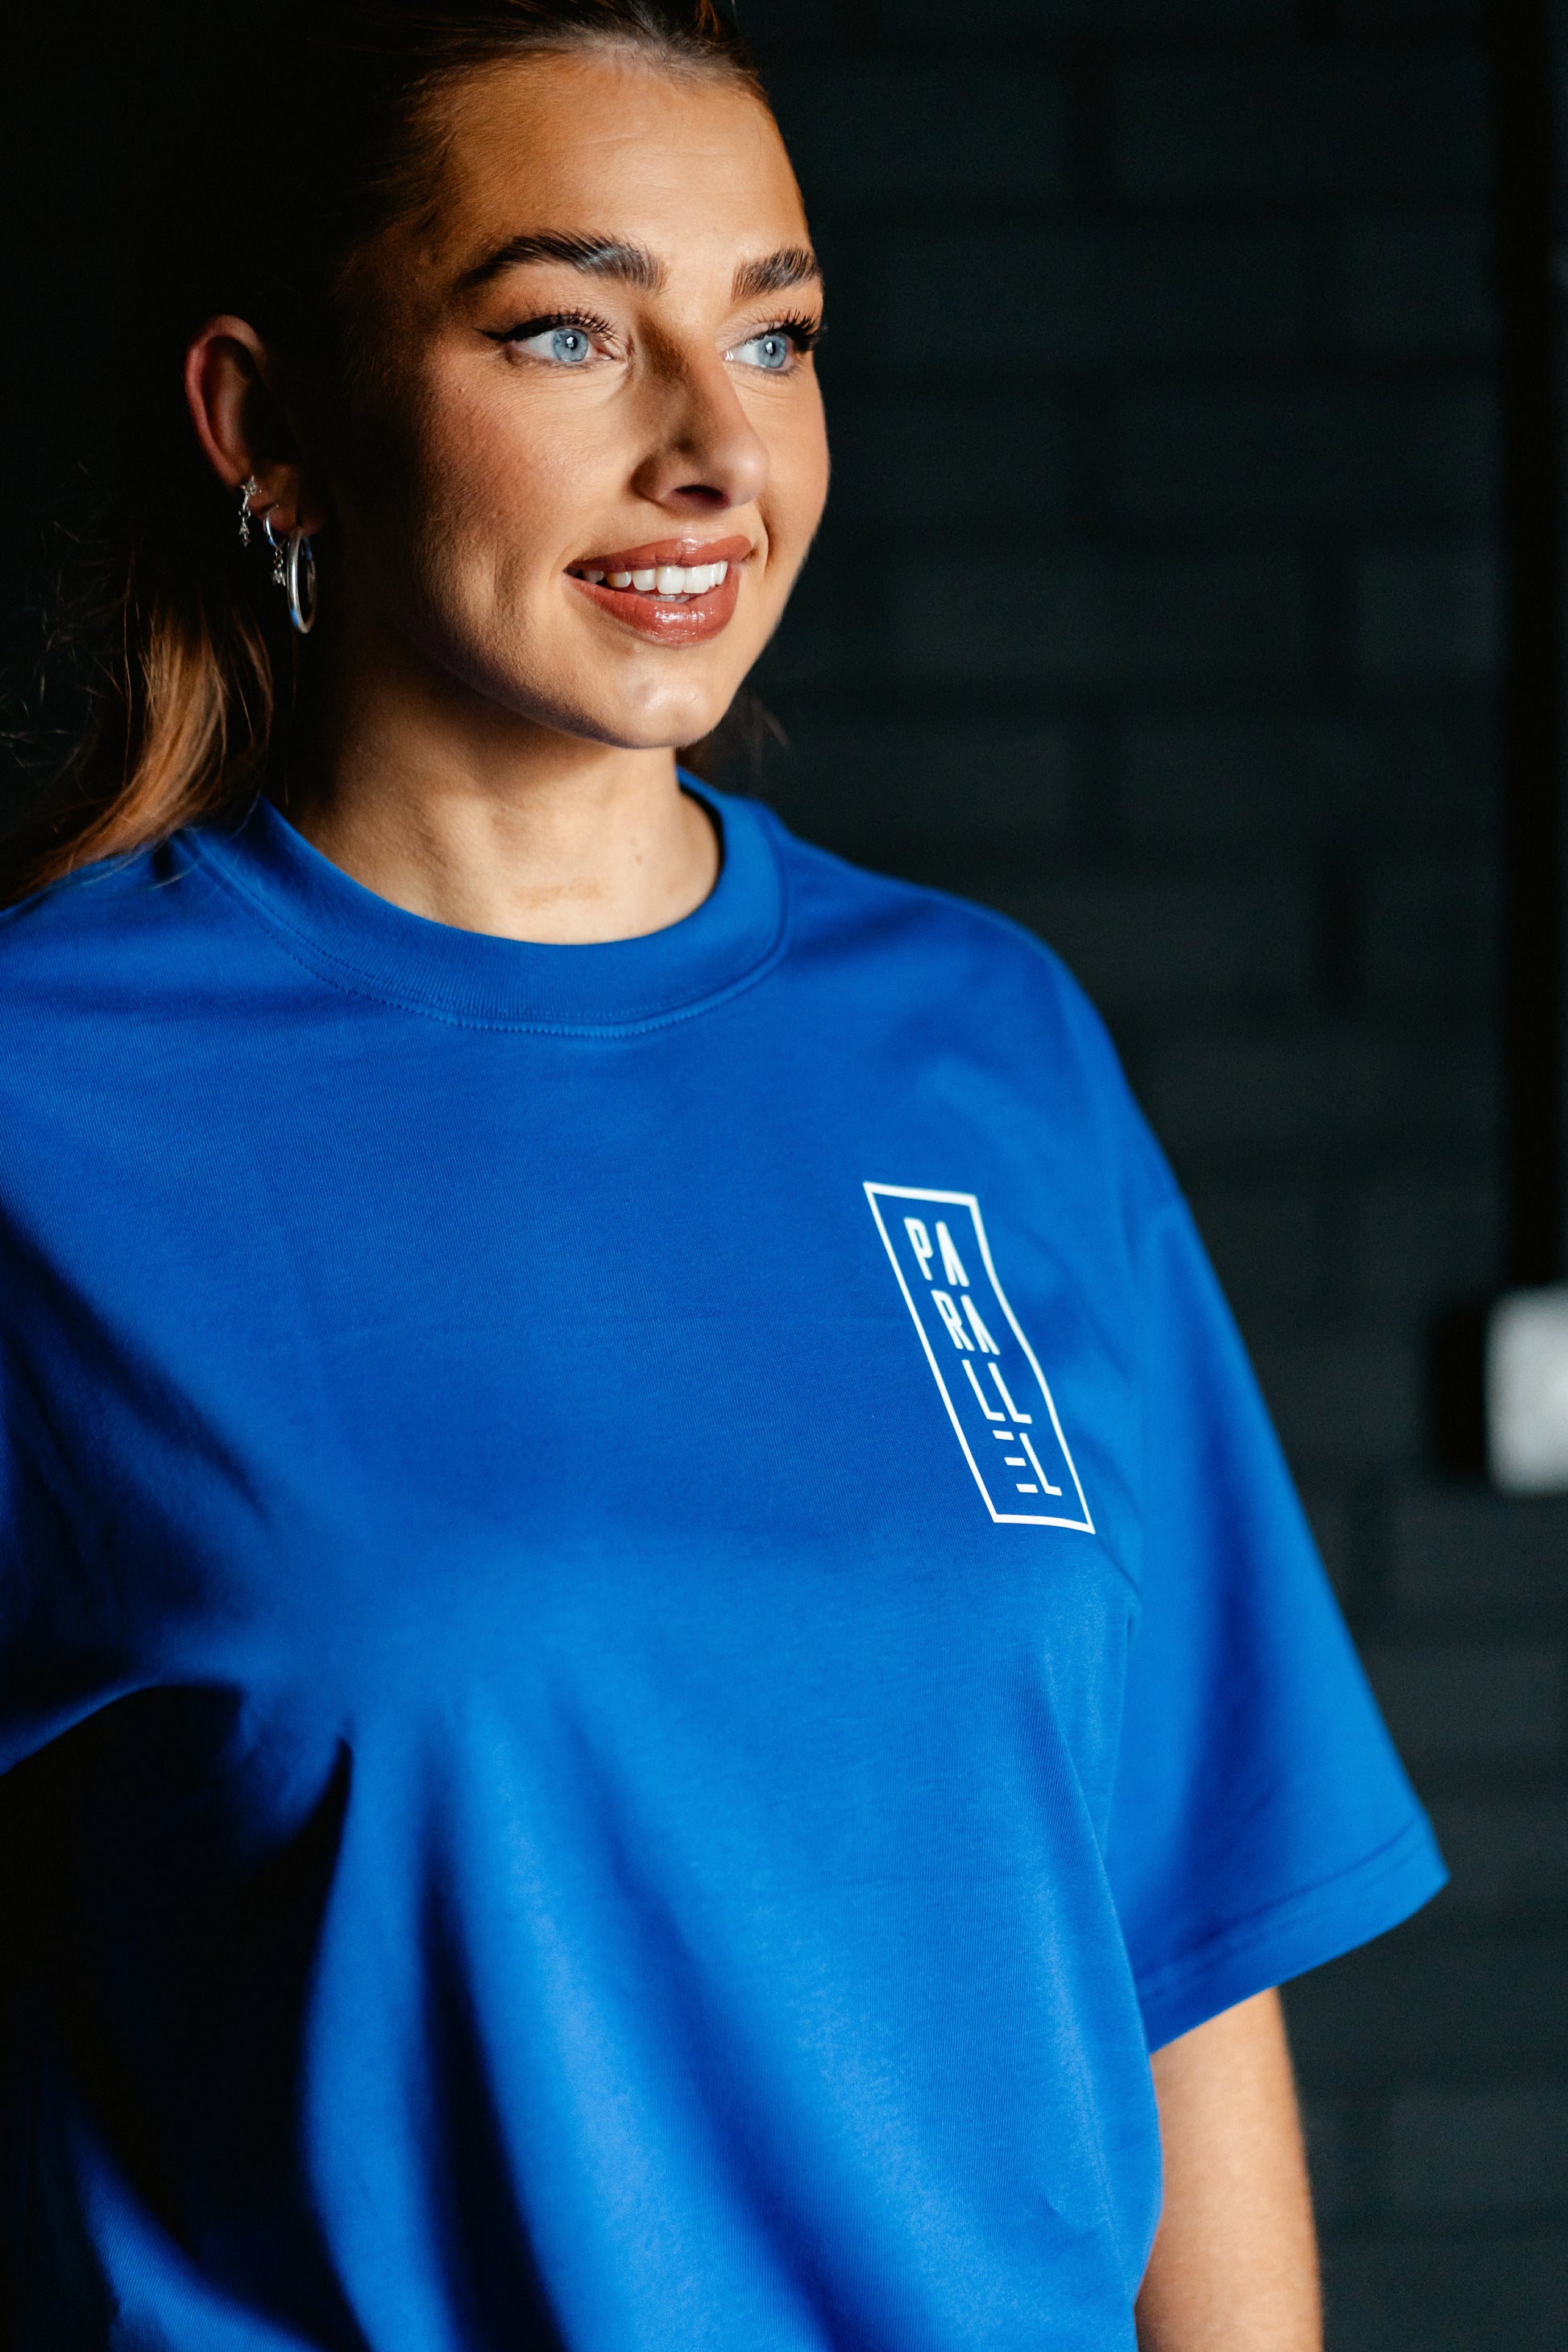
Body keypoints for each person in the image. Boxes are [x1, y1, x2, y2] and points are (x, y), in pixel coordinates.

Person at [0, 5, 1444, 2346]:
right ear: (267, 425)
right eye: (568, 332)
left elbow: (1177, 1955)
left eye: (772, 336)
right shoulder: (50, 1101)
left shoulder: (983, 1045)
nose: (711, 453)